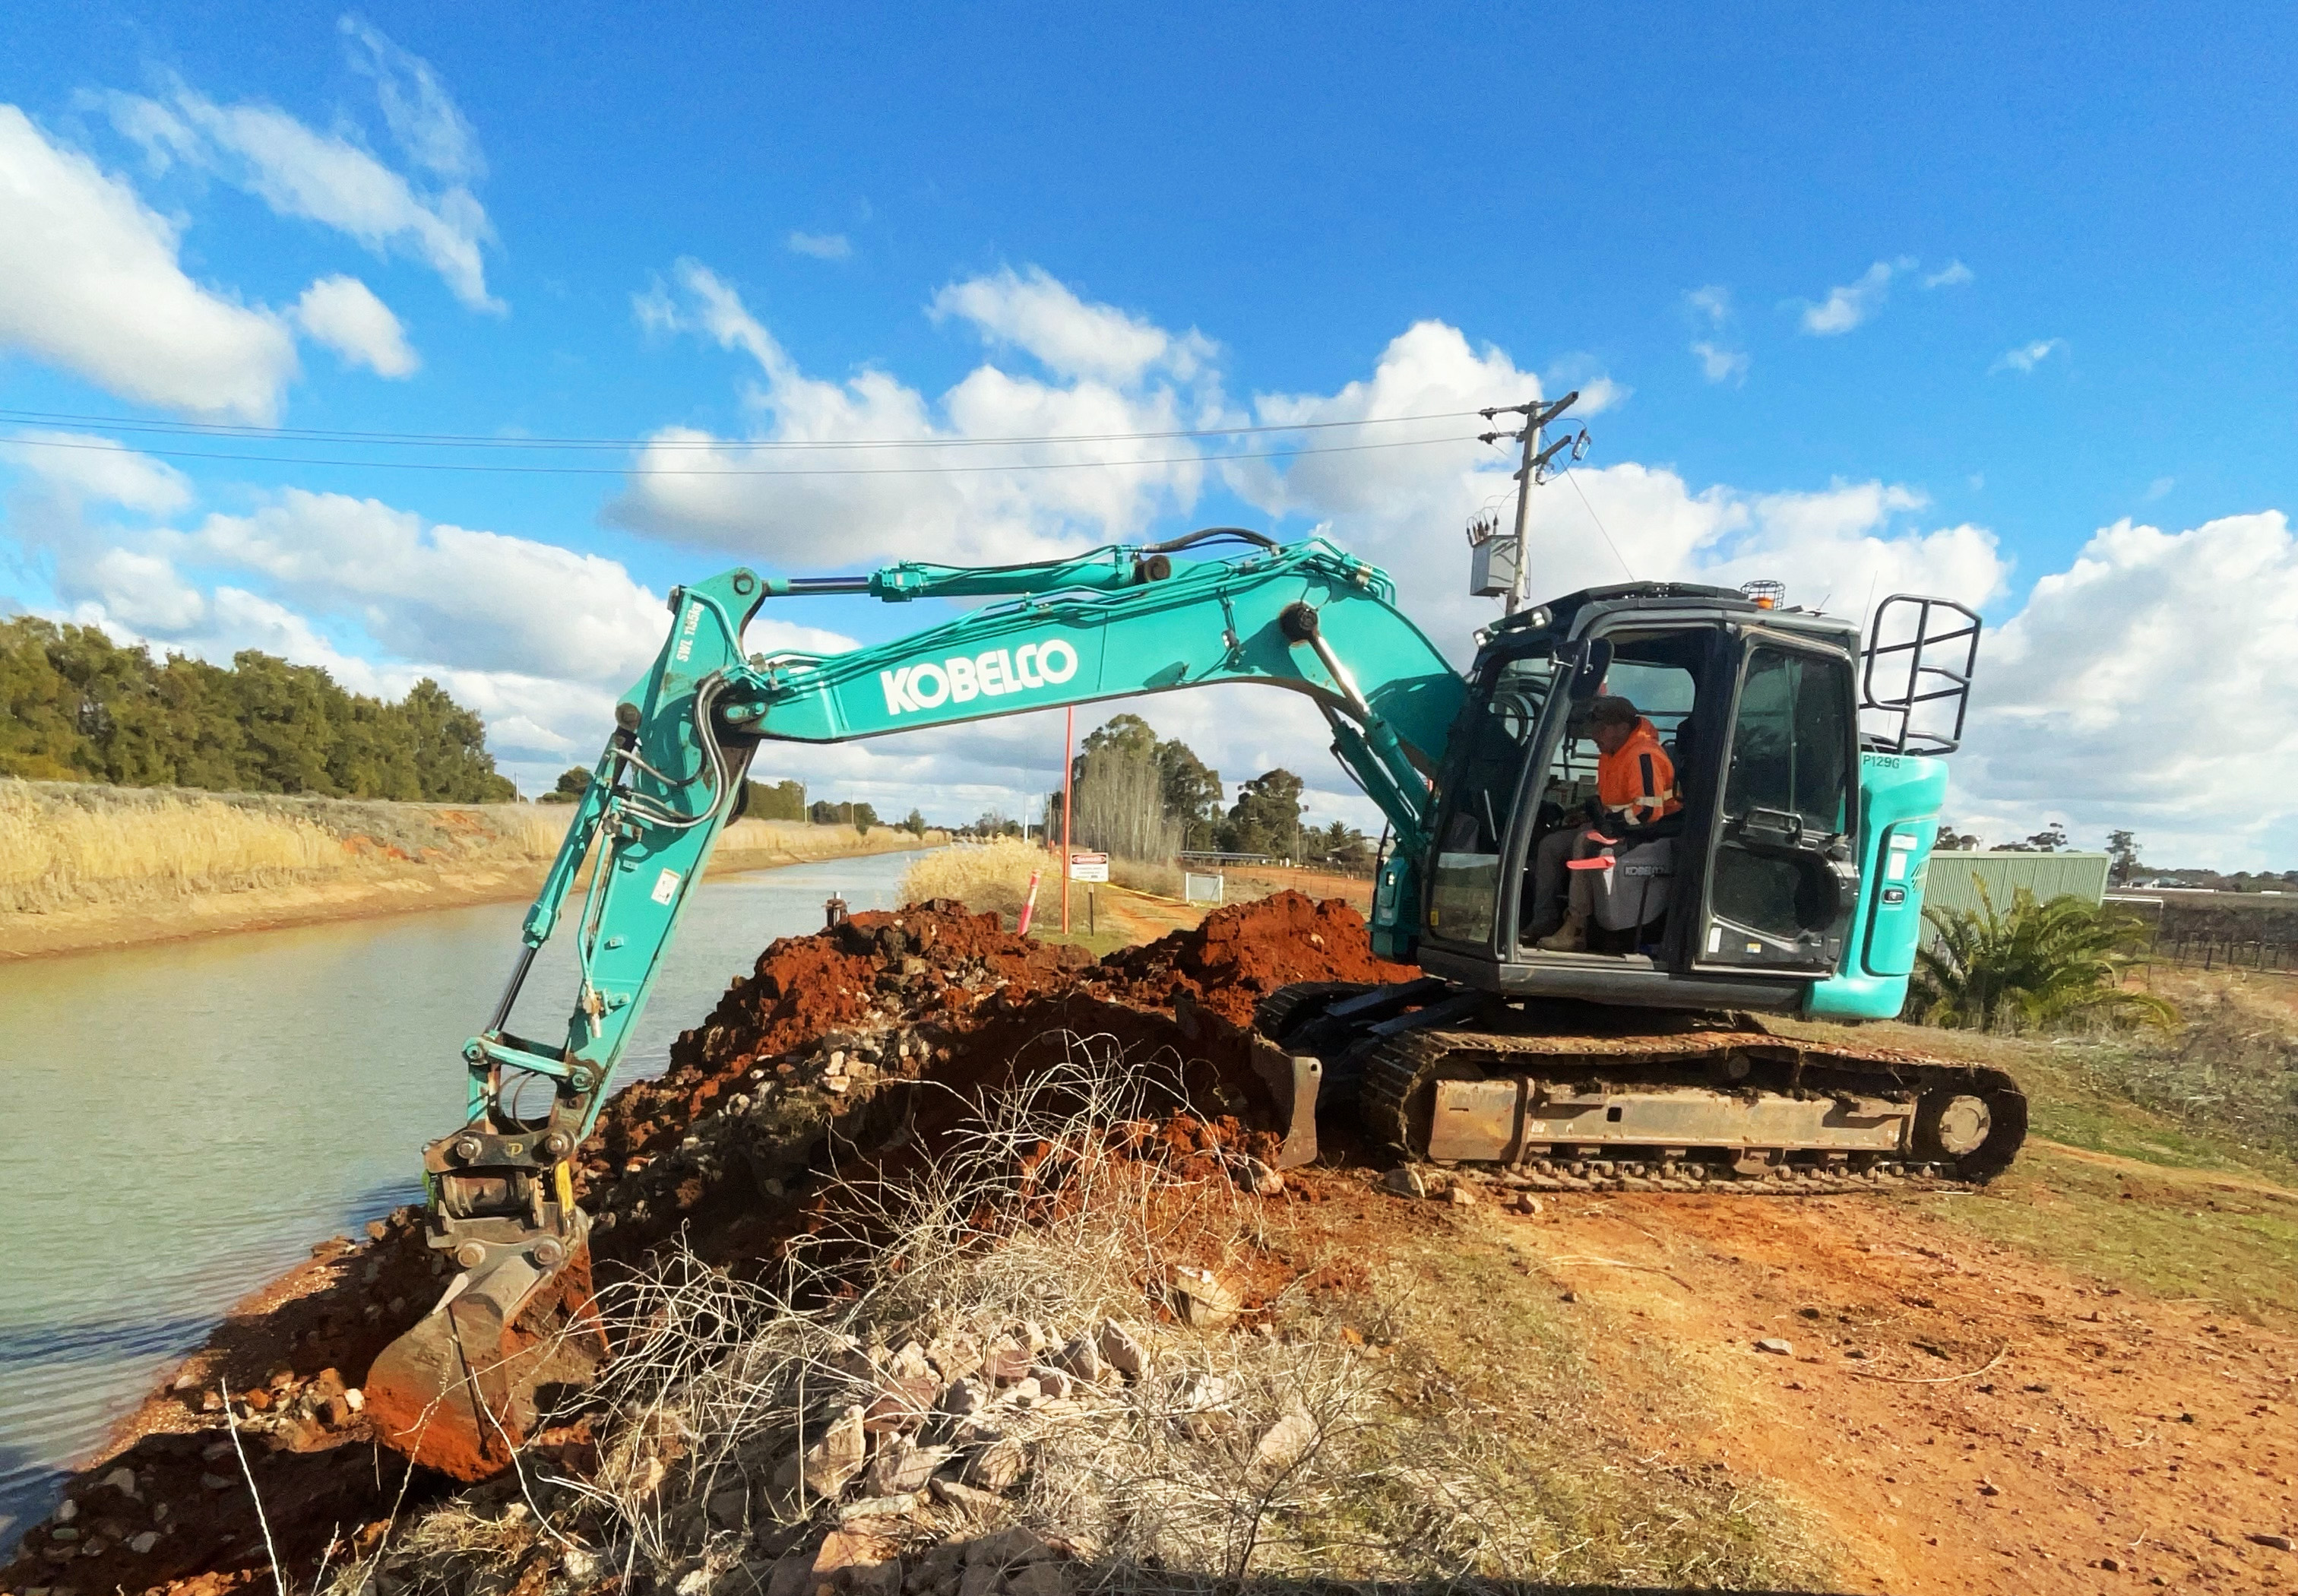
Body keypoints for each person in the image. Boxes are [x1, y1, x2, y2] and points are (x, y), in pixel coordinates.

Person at [1528, 695, 1682, 952]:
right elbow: (1613, 799)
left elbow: (1647, 811)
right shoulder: (1611, 754)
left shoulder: (1643, 755)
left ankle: (1576, 927)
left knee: (1585, 842)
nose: (1594, 736)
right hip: (1615, 827)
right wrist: (1586, 815)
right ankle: (1544, 920)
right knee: (1551, 845)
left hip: (1646, 833)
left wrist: (1611, 824)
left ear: (1623, 728)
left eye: (1601, 729)